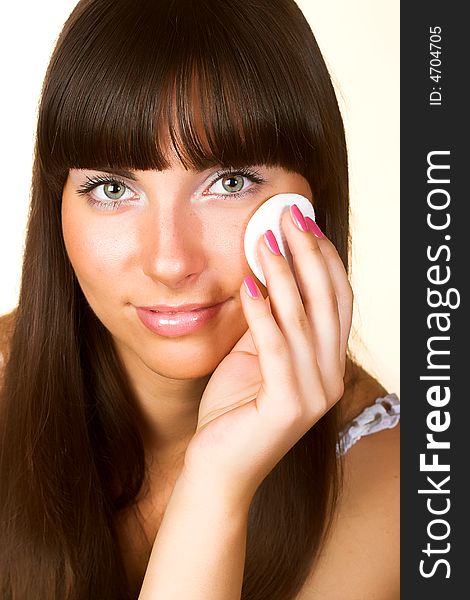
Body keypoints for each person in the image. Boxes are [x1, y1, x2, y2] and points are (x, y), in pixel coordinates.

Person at [0, 0, 400, 598]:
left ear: (311, 201)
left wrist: (217, 482)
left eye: (229, 183)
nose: (169, 261)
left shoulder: (401, 489)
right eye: (112, 188)